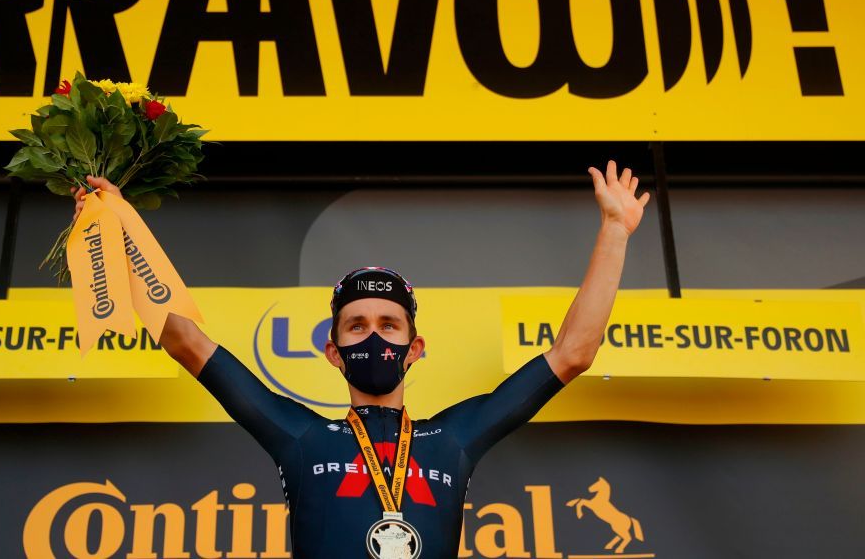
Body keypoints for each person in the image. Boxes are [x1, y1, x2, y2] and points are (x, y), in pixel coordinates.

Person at [72, 160, 650, 558]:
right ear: (333, 350)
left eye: (389, 325)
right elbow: (187, 342)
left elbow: (573, 353)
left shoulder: (455, 437)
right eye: (357, 326)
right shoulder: (299, 435)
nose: (373, 336)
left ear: (414, 348)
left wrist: (616, 231)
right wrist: (116, 225)